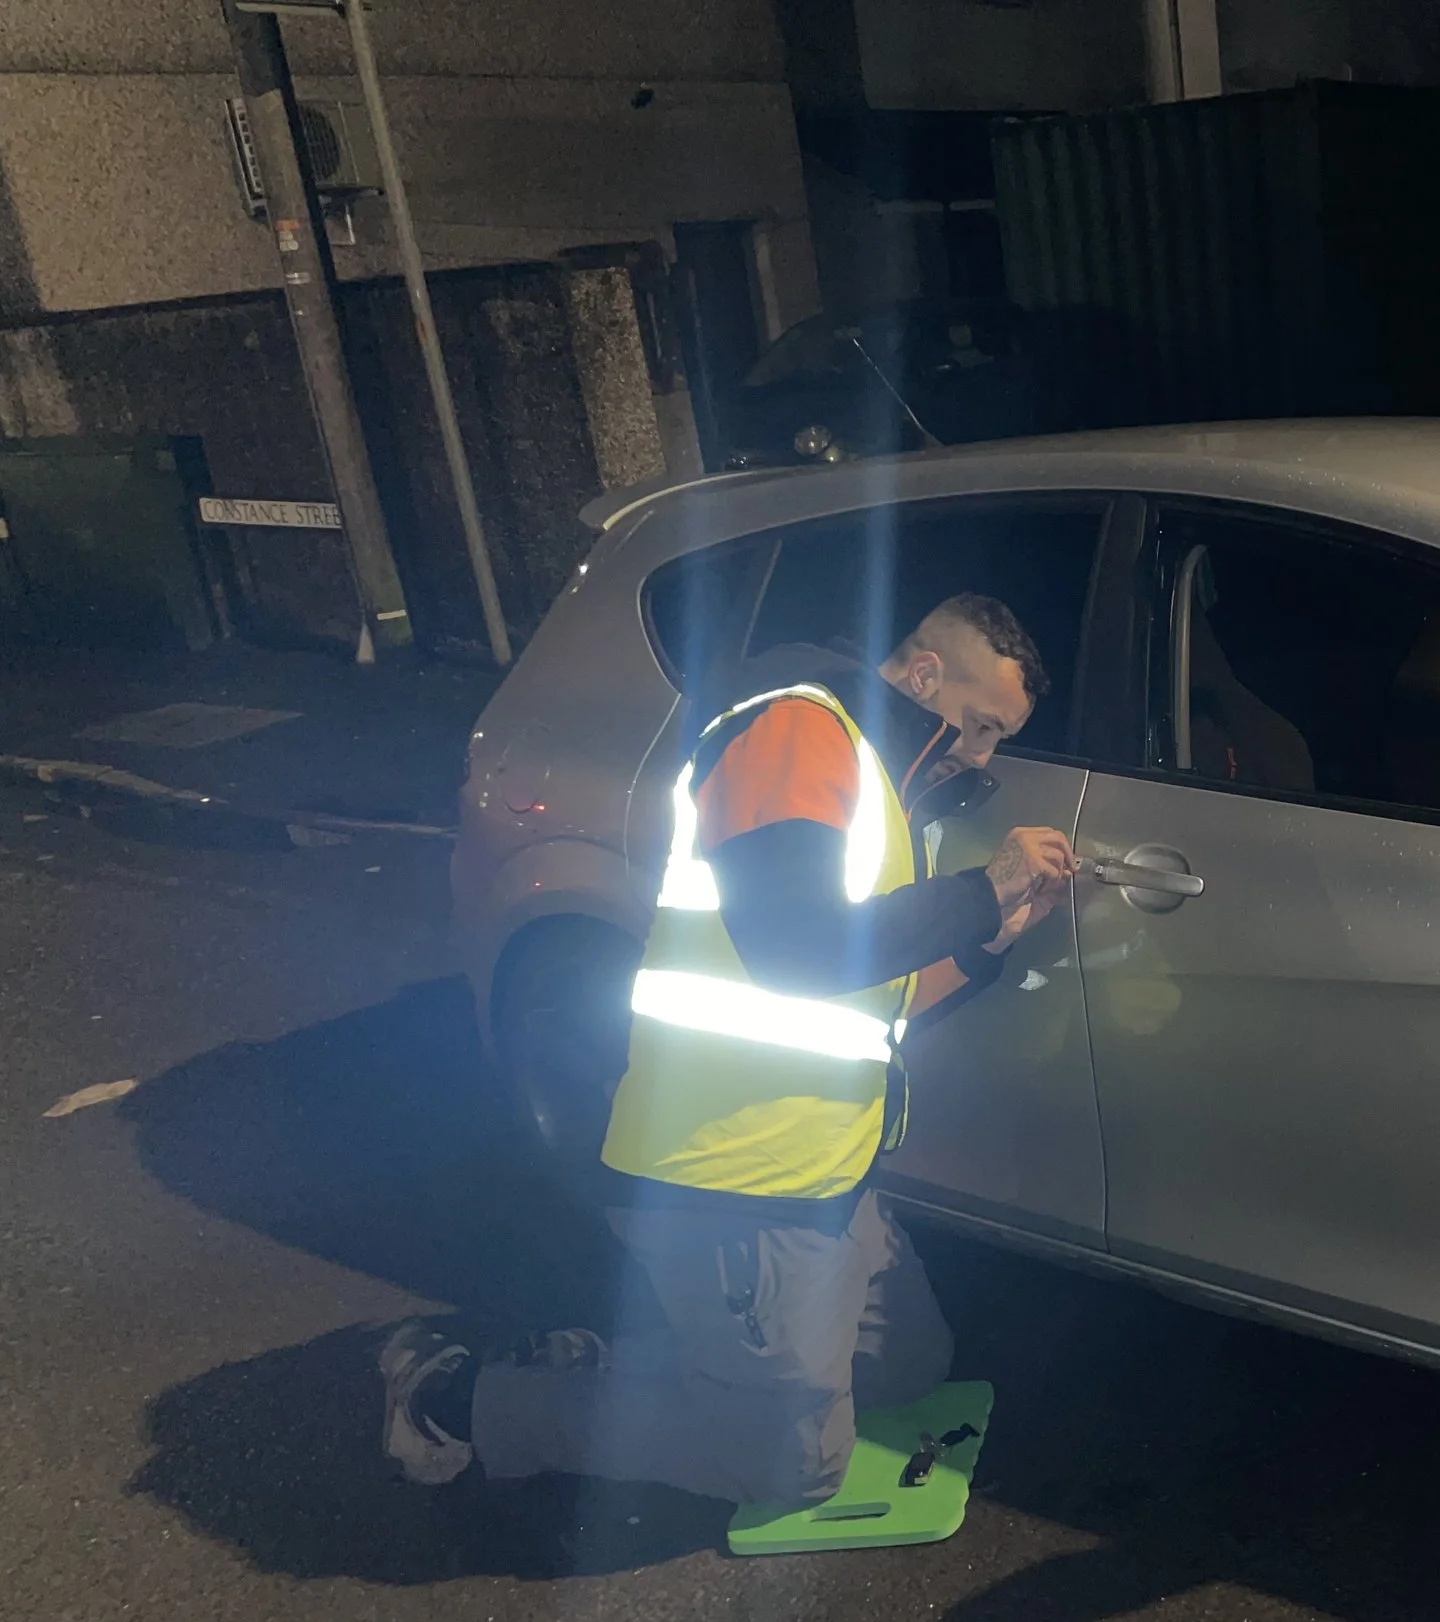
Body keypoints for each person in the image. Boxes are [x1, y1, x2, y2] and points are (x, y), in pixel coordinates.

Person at [378, 592, 1076, 1504]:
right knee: (797, 1466)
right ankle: (465, 1401)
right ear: (926, 674)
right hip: (730, 1178)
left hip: (821, 1174)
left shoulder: (875, 781)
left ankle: (661, 1366)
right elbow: (798, 946)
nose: (982, 755)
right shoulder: (795, 730)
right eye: (981, 725)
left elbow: (868, 991)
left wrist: (985, 943)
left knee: (908, 1363)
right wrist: (987, 887)